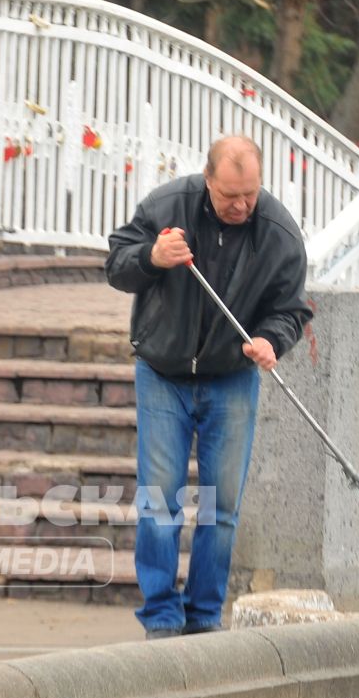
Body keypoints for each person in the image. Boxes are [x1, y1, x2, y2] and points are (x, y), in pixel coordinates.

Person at [104, 136, 311, 639]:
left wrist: (270, 340)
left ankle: (203, 615)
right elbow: (117, 266)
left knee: (221, 506)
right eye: (229, 196)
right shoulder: (166, 205)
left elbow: (292, 310)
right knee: (160, 498)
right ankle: (160, 614)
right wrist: (152, 255)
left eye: (250, 194)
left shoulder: (279, 232)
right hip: (162, 372)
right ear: (207, 180)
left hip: (231, 378)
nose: (240, 206)